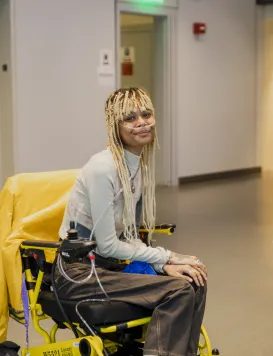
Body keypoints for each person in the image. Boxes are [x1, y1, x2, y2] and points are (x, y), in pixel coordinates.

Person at [57, 87, 207, 356]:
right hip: (80, 272)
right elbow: (106, 246)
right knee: (178, 292)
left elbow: (129, 237)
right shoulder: (103, 168)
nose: (141, 122)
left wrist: (162, 264)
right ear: (115, 126)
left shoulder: (138, 166)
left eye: (146, 114)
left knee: (194, 277)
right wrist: (168, 257)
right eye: (130, 118)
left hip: (112, 267)